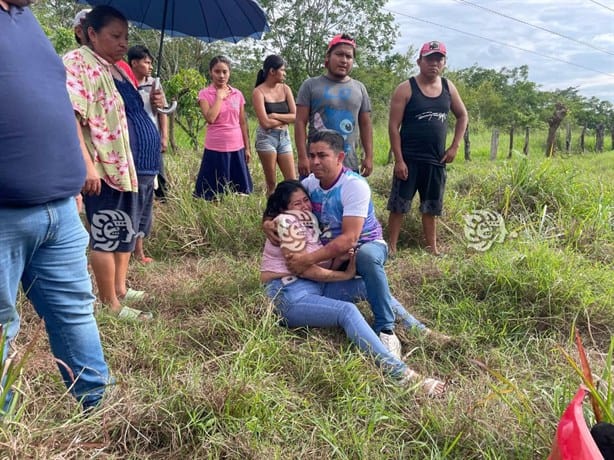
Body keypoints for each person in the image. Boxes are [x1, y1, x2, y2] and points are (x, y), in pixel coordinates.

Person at [0, 0, 109, 413]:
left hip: (59, 209)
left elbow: (57, 100)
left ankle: (100, 412)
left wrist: (78, 162)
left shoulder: (24, 19)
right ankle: (6, 431)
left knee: (75, 313)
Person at [266, 130, 448, 361]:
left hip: (366, 244)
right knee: (365, 289)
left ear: (340, 157)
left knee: (366, 257)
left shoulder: (354, 185)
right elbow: (279, 204)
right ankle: (413, 330)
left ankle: (387, 329)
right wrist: (267, 223)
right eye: (311, 155)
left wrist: (306, 260)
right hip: (332, 258)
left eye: (322, 155)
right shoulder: (309, 184)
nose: (315, 161)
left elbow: (349, 239)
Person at [261, 181, 445, 396]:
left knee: (365, 286)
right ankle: (402, 375)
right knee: (346, 311)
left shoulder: (309, 223)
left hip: (314, 287)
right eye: (296, 203)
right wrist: (345, 274)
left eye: (305, 201)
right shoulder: (285, 222)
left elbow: (314, 265)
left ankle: (421, 332)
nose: (304, 206)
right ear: (283, 208)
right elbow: (304, 270)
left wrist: (339, 259)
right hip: (289, 295)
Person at [63, 5, 153, 320]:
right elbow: (71, 116)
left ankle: (119, 290)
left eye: (125, 37)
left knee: (123, 228)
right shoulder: (77, 63)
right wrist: (87, 164)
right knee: (105, 231)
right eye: (115, 36)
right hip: (101, 167)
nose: (122, 43)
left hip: (121, 165)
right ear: (90, 33)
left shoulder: (107, 67)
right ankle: (109, 304)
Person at [386, 41, 468, 256]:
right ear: (419, 61)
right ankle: (392, 247)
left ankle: (432, 248)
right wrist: (399, 160)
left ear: (444, 62)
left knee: (431, 207)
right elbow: (393, 126)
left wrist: (454, 146)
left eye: (438, 59)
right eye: (429, 58)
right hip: (409, 159)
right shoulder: (406, 88)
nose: (434, 63)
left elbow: (462, 115)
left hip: (436, 160)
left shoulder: (449, 88)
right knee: (398, 205)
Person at [295, 33, 374, 177]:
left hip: (349, 164)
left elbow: (366, 125)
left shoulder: (359, 88)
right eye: (339, 54)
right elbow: (300, 122)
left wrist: (368, 156)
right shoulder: (310, 85)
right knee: (312, 200)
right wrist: (302, 157)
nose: (344, 60)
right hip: (316, 165)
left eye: (349, 57)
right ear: (328, 57)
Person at [128, 44, 169, 263]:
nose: (149, 66)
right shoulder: (123, 83)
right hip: (129, 146)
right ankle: (126, 246)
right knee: (132, 196)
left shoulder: (155, 84)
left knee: (148, 194)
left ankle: (140, 250)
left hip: (150, 146)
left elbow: (162, 112)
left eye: (151, 62)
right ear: (134, 62)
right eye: (146, 62)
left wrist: (163, 136)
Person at [194, 56, 253, 200]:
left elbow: (242, 122)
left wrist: (247, 148)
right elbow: (210, 118)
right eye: (217, 71)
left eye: (225, 72)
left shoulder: (237, 94)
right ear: (210, 72)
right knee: (212, 193)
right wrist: (219, 97)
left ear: (229, 73)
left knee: (239, 192)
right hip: (216, 147)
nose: (221, 75)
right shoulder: (204, 94)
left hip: (236, 146)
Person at [252, 55, 297, 197]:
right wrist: (285, 119)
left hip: (284, 137)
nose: (284, 73)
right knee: (271, 183)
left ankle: (291, 211)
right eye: (282, 70)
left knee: (292, 180)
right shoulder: (258, 92)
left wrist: (275, 116)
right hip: (266, 138)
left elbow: (295, 116)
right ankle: (271, 211)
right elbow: (265, 123)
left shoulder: (285, 89)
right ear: (272, 71)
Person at [72, 8, 138, 87]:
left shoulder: (120, 69)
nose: (124, 44)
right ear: (92, 34)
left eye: (126, 38)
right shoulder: (77, 65)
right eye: (116, 36)